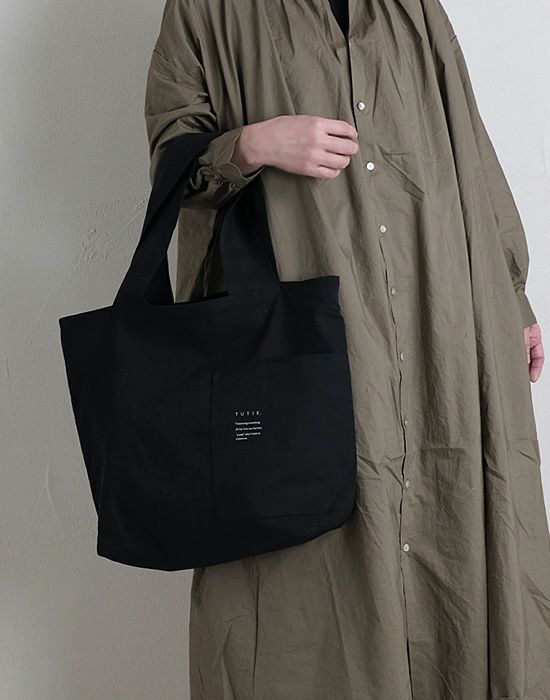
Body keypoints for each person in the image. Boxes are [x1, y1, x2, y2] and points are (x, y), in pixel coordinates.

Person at [144, 1, 550, 698]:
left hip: (444, 320)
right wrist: (254, 145)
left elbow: (471, 153)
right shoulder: (209, 9)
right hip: (303, 333)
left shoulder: (411, 9)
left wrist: (511, 297)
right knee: (310, 551)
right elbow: (171, 159)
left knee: (454, 518)